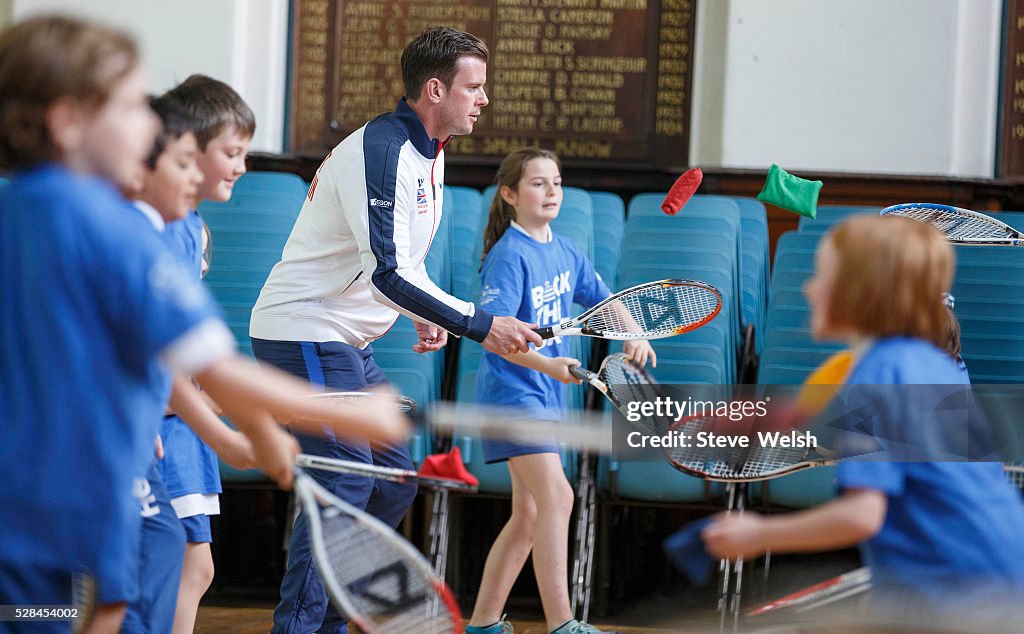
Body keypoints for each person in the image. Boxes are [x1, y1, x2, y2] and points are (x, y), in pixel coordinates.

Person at [0, 15, 405, 633]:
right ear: (67, 121)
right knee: (89, 609)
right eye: (133, 105)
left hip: (51, 490)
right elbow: (210, 367)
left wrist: (240, 436)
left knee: (66, 611)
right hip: (70, 491)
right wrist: (355, 414)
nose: (154, 122)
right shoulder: (108, 228)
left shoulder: (20, 211)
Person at [249, 26, 542, 633]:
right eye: (474, 87)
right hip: (303, 329)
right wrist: (478, 325)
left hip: (343, 340)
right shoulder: (382, 152)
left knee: (392, 475)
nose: (484, 100)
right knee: (349, 474)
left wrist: (422, 310)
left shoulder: (428, 151)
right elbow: (387, 272)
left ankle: (332, 622)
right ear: (435, 89)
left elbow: (399, 266)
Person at [701, 215, 1024, 625]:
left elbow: (861, 516)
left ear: (863, 294)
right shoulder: (933, 363)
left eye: (824, 277)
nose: (809, 288)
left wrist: (758, 535)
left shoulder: (877, 374)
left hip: (960, 593)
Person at [466, 148, 654, 634]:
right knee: (558, 498)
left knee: (528, 514)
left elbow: (606, 300)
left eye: (556, 182)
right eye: (537, 184)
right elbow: (499, 340)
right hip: (512, 396)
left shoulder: (566, 251)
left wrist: (632, 331)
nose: (551, 192)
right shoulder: (507, 256)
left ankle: (484, 624)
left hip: (545, 397)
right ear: (509, 195)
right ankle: (562, 624)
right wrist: (549, 365)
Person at [155, 74, 256, 634]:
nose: (241, 165)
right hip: (151, 429)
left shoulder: (192, 227)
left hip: (179, 423)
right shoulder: (161, 229)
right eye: (232, 152)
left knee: (194, 567)